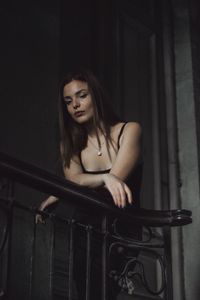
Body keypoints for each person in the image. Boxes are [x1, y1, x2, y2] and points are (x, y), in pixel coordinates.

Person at [36, 69, 142, 299]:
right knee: (85, 291)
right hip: (85, 229)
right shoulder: (71, 145)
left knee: (105, 291)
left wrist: (60, 193)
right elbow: (75, 179)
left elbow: (113, 186)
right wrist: (102, 177)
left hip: (121, 228)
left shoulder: (129, 130)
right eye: (68, 101)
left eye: (81, 95)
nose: (75, 105)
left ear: (96, 96)